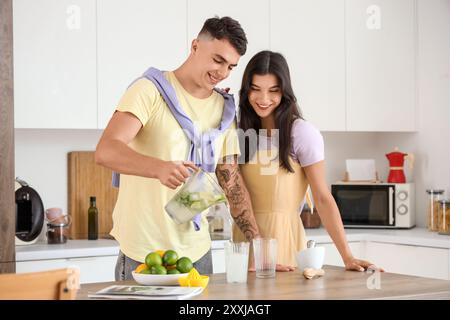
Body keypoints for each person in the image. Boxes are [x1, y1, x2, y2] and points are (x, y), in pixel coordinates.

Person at [95, 16, 260, 280]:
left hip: (198, 255)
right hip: (145, 252)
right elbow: (106, 150)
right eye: (218, 60)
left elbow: (231, 182)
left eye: (231, 66)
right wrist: (158, 167)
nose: (223, 72)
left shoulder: (225, 110)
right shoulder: (149, 90)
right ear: (195, 46)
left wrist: (259, 245)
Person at [232, 50, 384, 272]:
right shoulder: (239, 132)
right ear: (247, 91)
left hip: (283, 243)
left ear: (285, 92)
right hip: (243, 246)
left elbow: (322, 198)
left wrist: (347, 256)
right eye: (256, 89)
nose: (264, 99)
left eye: (273, 91)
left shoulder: (301, 133)